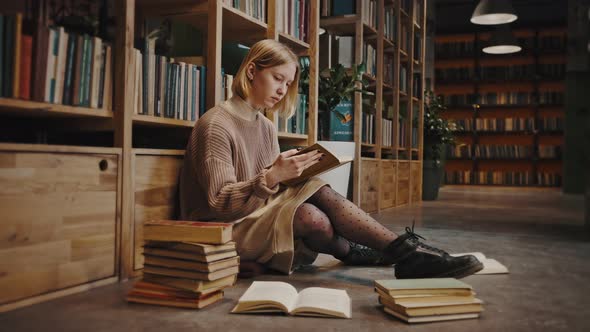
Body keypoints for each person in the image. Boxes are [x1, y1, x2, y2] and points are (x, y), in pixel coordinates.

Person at [179, 39, 483, 279]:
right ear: (251, 72)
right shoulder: (216, 125)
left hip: (253, 216)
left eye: (288, 83)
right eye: (277, 78)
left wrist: (286, 173)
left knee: (317, 210)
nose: (283, 89)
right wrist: (272, 176)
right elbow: (219, 204)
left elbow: (264, 192)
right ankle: (401, 252)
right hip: (219, 229)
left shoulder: (266, 126)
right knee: (312, 214)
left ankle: (399, 253)